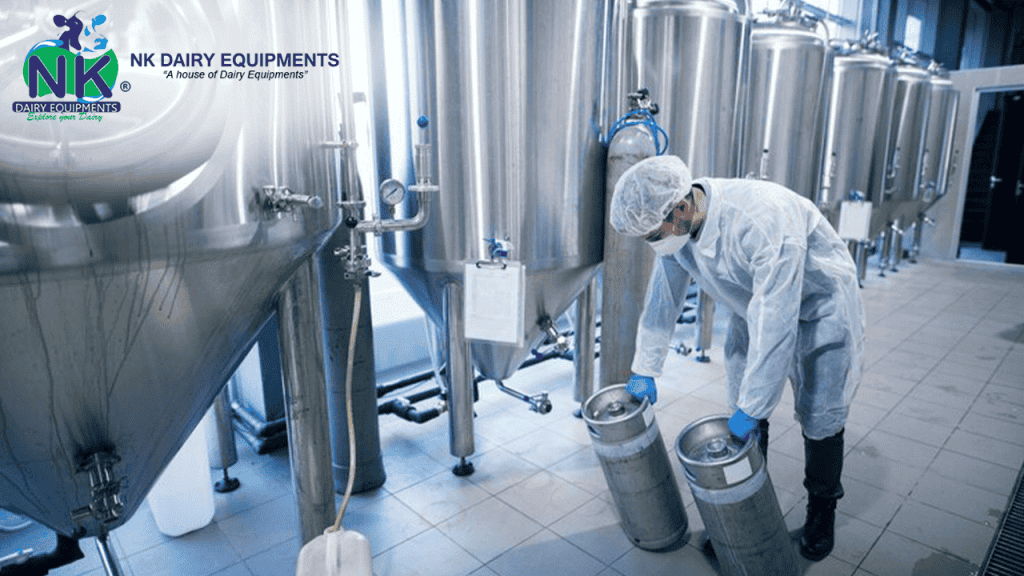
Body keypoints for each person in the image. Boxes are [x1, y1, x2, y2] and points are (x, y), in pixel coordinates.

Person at [609, 155, 865, 562]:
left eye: (653, 234)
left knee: (821, 415)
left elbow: (777, 325)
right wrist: (645, 367)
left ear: (680, 208)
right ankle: (748, 514)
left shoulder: (762, 218)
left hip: (820, 310)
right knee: (744, 409)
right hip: (755, 306)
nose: (653, 243)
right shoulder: (678, 228)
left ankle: (822, 511)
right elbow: (663, 299)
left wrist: (753, 407)